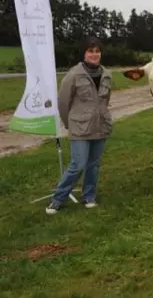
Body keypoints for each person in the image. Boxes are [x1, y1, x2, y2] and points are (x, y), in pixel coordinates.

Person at [46, 37, 113, 214]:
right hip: (79, 128)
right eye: (90, 51)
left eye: (97, 51)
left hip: (100, 127)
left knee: (94, 165)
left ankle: (89, 196)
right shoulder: (73, 75)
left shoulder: (107, 74)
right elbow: (63, 103)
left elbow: (105, 100)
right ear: (84, 53)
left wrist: (104, 117)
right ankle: (58, 199)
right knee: (79, 164)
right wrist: (71, 124)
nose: (94, 54)